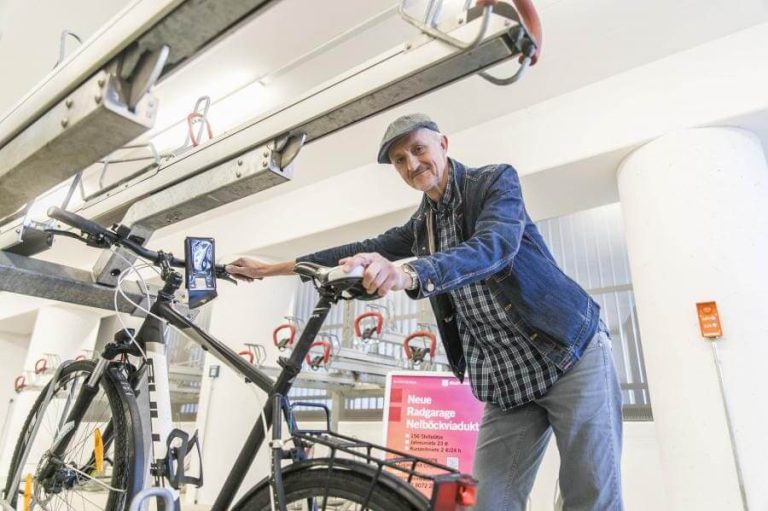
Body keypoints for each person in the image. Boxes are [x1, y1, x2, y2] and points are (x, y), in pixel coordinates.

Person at [226, 113, 623, 510]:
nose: (412, 164)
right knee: (488, 503)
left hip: (568, 354)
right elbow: (356, 248)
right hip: (508, 383)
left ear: (443, 145)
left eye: (418, 150)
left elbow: (494, 247)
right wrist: (271, 267)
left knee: (589, 495)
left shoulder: (494, 182)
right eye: (400, 159)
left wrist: (410, 272)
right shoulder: (423, 225)